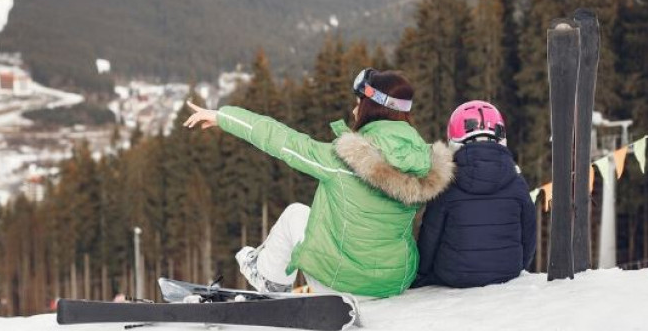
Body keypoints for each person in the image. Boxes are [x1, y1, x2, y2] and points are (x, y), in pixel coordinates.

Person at [183, 68, 454, 298]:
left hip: (344, 282)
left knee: (294, 215)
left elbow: (283, 141)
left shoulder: (344, 160)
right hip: (395, 280)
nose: (354, 108)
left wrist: (224, 117)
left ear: (373, 107)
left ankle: (270, 281)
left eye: (360, 102)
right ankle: (270, 271)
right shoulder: (425, 162)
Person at [412, 100, 536, 289]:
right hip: (507, 272)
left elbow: (431, 235)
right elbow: (529, 234)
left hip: (454, 275)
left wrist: (422, 273)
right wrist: (520, 266)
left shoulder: (447, 181)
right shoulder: (516, 181)